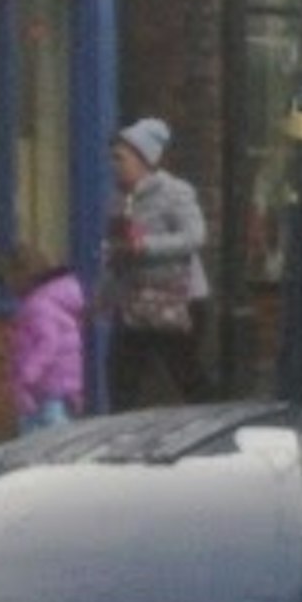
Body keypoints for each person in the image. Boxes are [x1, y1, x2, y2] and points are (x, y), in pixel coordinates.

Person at [104, 116, 211, 406]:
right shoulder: (118, 198)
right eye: (113, 158)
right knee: (120, 376)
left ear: (143, 159)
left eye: (120, 158)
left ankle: (211, 428)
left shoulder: (174, 192)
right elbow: (118, 250)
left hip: (178, 300)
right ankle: (122, 437)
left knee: (185, 374)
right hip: (135, 300)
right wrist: (104, 292)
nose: (114, 165)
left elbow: (195, 236)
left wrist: (145, 247)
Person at [4, 240, 88, 432]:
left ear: (23, 275)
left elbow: (48, 342)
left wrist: (27, 374)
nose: (8, 284)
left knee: (48, 435)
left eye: (9, 277)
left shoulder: (37, 305)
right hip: (61, 383)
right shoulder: (51, 301)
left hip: (47, 386)